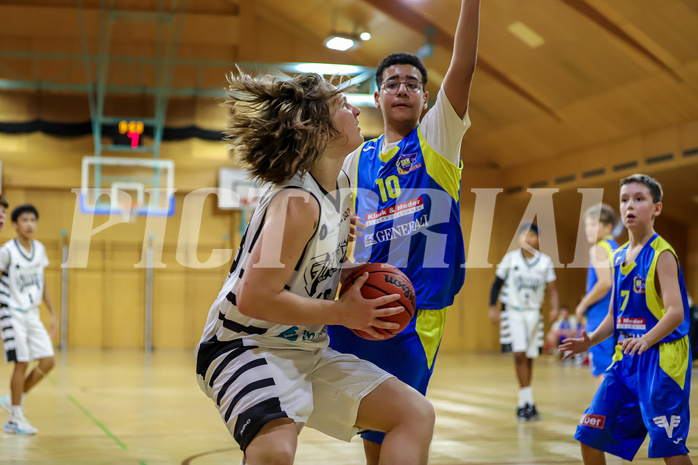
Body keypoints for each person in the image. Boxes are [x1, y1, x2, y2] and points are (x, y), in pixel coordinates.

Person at [195, 69, 435, 465]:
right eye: (343, 105)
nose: (356, 111)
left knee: (413, 413)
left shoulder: (339, 186)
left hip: (305, 347)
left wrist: (352, 275)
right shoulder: (296, 202)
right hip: (243, 345)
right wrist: (342, 313)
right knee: (274, 450)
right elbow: (256, 297)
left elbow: (311, 274)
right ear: (318, 129)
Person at [326, 0, 480, 460]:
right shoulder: (357, 160)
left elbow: (465, 66)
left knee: (404, 419)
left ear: (425, 99)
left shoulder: (437, 139)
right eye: (391, 83)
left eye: (412, 84)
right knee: (373, 427)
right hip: (361, 300)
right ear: (377, 97)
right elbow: (336, 228)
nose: (402, 89)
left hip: (417, 307)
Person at [561, 174, 692, 464]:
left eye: (638, 199)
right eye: (624, 200)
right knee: (588, 434)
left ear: (657, 208)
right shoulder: (619, 256)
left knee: (670, 450)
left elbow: (676, 312)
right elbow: (613, 316)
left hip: (661, 362)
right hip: (625, 362)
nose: (629, 205)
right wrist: (591, 340)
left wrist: (646, 339)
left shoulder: (663, 254)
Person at [489, 223, 559, 421]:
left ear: (538, 239)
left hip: (534, 313)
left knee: (529, 355)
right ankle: (525, 401)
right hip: (514, 311)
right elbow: (496, 285)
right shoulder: (510, 259)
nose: (528, 239)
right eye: (524, 236)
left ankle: (525, 404)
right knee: (519, 353)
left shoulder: (545, 262)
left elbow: (552, 289)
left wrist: (554, 307)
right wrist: (492, 308)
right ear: (519, 239)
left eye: (532, 236)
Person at [0, 204, 57, 435]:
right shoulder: (7, 252)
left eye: (33, 219)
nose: (29, 224)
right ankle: (15, 418)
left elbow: (42, 284)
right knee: (21, 363)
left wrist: (53, 312)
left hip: (32, 314)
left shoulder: (40, 249)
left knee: (48, 361)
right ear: (15, 225)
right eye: (25, 219)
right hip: (12, 312)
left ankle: (15, 398)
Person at [575, 203, 619, 383]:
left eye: (594, 224)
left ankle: (601, 412)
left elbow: (605, 283)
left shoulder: (599, 248)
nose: (588, 229)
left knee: (602, 370)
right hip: (618, 316)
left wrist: (583, 304)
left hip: (601, 317)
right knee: (616, 370)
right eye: (587, 225)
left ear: (608, 227)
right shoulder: (617, 247)